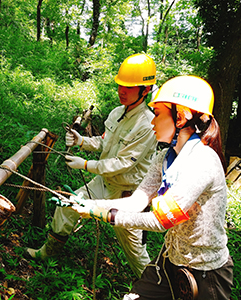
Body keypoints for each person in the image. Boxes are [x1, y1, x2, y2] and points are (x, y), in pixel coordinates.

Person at [69, 75, 234, 299]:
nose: (152, 122)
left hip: (206, 272)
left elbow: (160, 221)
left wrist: (105, 214)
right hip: (169, 260)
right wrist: (91, 204)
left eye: (157, 115)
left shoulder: (202, 161)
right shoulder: (164, 157)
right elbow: (137, 201)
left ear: (181, 117)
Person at [25, 53, 159, 277]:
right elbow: (105, 142)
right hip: (102, 182)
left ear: (144, 90)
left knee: (135, 253)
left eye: (129, 87)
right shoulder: (117, 113)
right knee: (67, 205)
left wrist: (85, 164)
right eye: (120, 85)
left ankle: (155, 289)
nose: (121, 91)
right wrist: (81, 141)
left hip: (126, 194)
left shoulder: (147, 125)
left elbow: (123, 163)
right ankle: (48, 253)